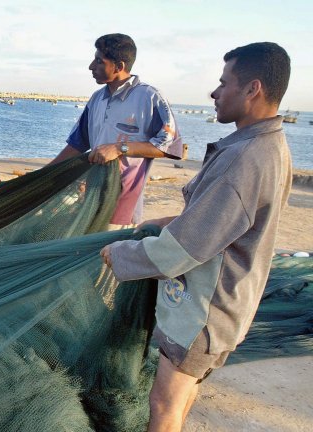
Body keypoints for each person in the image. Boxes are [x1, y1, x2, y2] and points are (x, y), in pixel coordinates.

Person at [99, 42, 292, 432]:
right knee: (184, 393)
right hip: (228, 303)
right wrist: (162, 221)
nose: (214, 93)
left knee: (164, 403)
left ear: (253, 89)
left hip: (205, 310)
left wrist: (121, 254)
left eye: (224, 83)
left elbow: (186, 247)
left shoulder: (245, 158)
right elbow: (219, 219)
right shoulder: (268, 146)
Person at [50, 34, 182, 229]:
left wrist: (120, 148)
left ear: (119, 66)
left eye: (98, 61)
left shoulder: (149, 98)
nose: (91, 67)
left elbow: (169, 147)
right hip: (91, 196)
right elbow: (76, 145)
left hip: (123, 203)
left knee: (110, 255)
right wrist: (45, 173)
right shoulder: (97, 99)